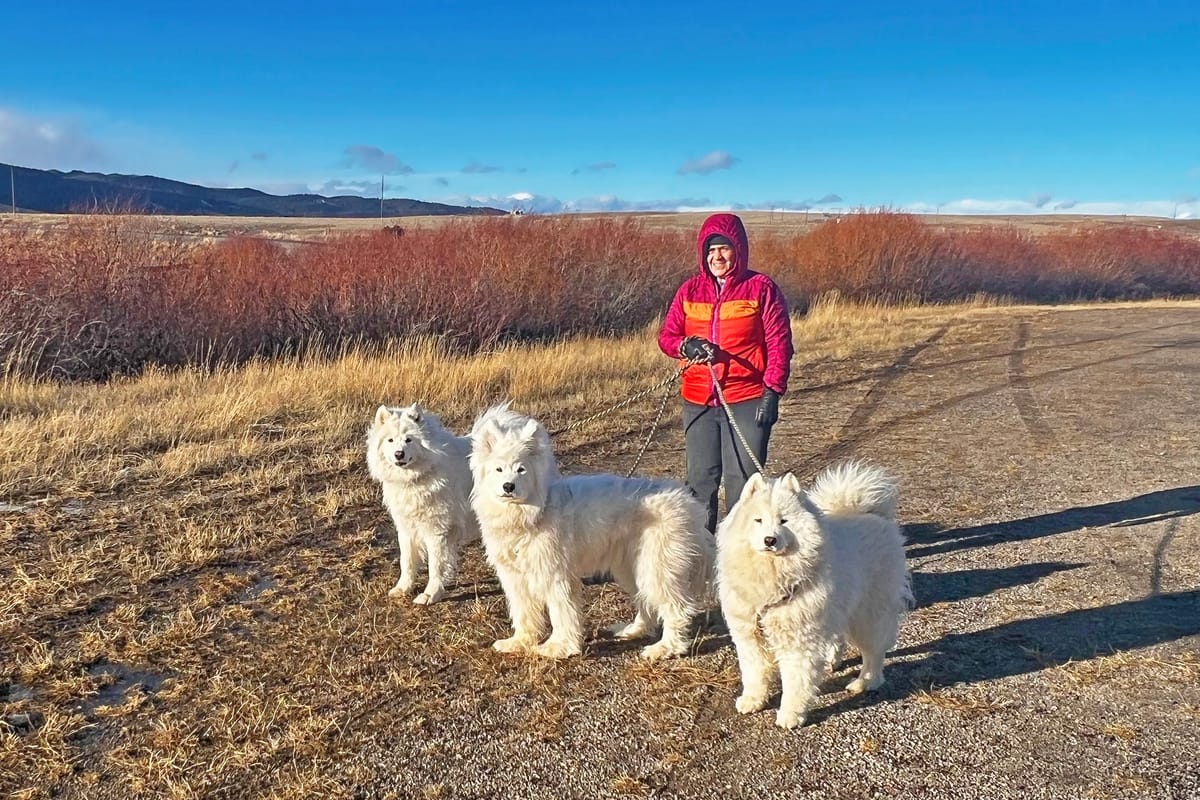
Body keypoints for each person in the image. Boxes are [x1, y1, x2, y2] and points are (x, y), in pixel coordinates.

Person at [658, 212, 794, 532]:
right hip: (698, 400)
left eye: (724, 248)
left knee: (743, 482)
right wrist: (685, 346)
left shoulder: (761, 288)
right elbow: (667, 337)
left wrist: (772, 392)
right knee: (700, 481)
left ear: (739, 249)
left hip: (746, 398)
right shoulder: (689, 291)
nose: (717, 256)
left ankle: (736, 554)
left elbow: (779, 343)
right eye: (710, 250)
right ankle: (703, 555)